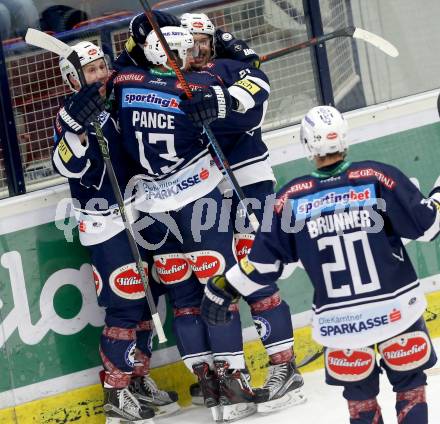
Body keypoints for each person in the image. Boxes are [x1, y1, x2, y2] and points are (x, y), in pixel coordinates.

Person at [201, 105, 439, 423]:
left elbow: (261, 265)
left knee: (362, 404)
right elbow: (430, 226)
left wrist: (223, 287)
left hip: (340, 325)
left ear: (307, 145)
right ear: (343, 137)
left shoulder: (290, 198)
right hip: (397, 313)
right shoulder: (377, 176)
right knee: (410, 391)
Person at [127, 11, 306, 414]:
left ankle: (284, 368)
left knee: (254, 275)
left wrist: (220, 102)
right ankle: (222, 378)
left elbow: (256, 99)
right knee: (213, 287)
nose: (195, 46)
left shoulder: (226, 69)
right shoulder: (171, 80)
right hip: (208, 190)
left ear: (215, 40)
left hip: (247, 180)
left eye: (203, 39)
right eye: (188, 41)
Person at [53, 40, 179, 423]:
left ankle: (138, 379)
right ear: (74, 78)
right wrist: (76, 129)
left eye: (102, 67)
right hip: (103, 222)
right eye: (91, 71)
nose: (101, 75)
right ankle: (115, 390)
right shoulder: (68, 115)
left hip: (137, 211)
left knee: (146, 299)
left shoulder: (117, 100)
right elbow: (66, 167)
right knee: (124, 305)